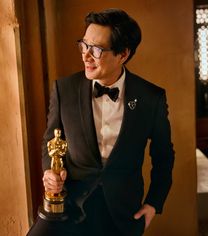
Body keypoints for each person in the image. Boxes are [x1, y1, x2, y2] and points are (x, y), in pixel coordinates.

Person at [27, 8, 174, 236]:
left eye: (96, 49)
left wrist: (154, 204)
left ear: (123, 54)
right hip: (69, 207)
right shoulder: (63, 89)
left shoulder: (151, 98)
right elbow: (50, 140)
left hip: (123, 213)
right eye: (84, 45)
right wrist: (50, 172)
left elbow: (164, 156)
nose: (85, 55)